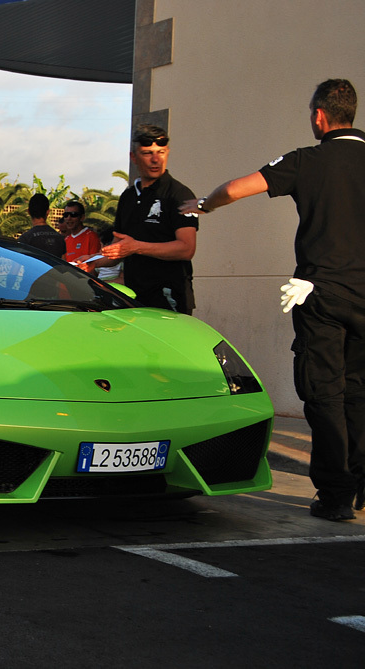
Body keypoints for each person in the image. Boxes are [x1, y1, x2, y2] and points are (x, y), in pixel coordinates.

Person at [180, 79, 365, 522]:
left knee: (324, 394)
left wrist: (203, 205)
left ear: (320, 116)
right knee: (359, 391)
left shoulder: (308, 160)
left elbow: (239, 188)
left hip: (321, 293)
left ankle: (337, 495)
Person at [99, 125, 198, 314]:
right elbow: (118, 248)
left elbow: (187, 248)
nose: (155, 159)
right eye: (147, 153)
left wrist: (136, 247)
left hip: (169, 299)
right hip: (133, 299)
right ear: (133, 157)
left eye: (160, 152)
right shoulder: (128, 197)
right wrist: (92, 261)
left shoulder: (178, 194)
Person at [17, 192, 65, 257]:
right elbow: (64, 263)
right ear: (48, 212)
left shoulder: (25, 239)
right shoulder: (60, 238)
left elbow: (17, 264)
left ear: (28, 212)